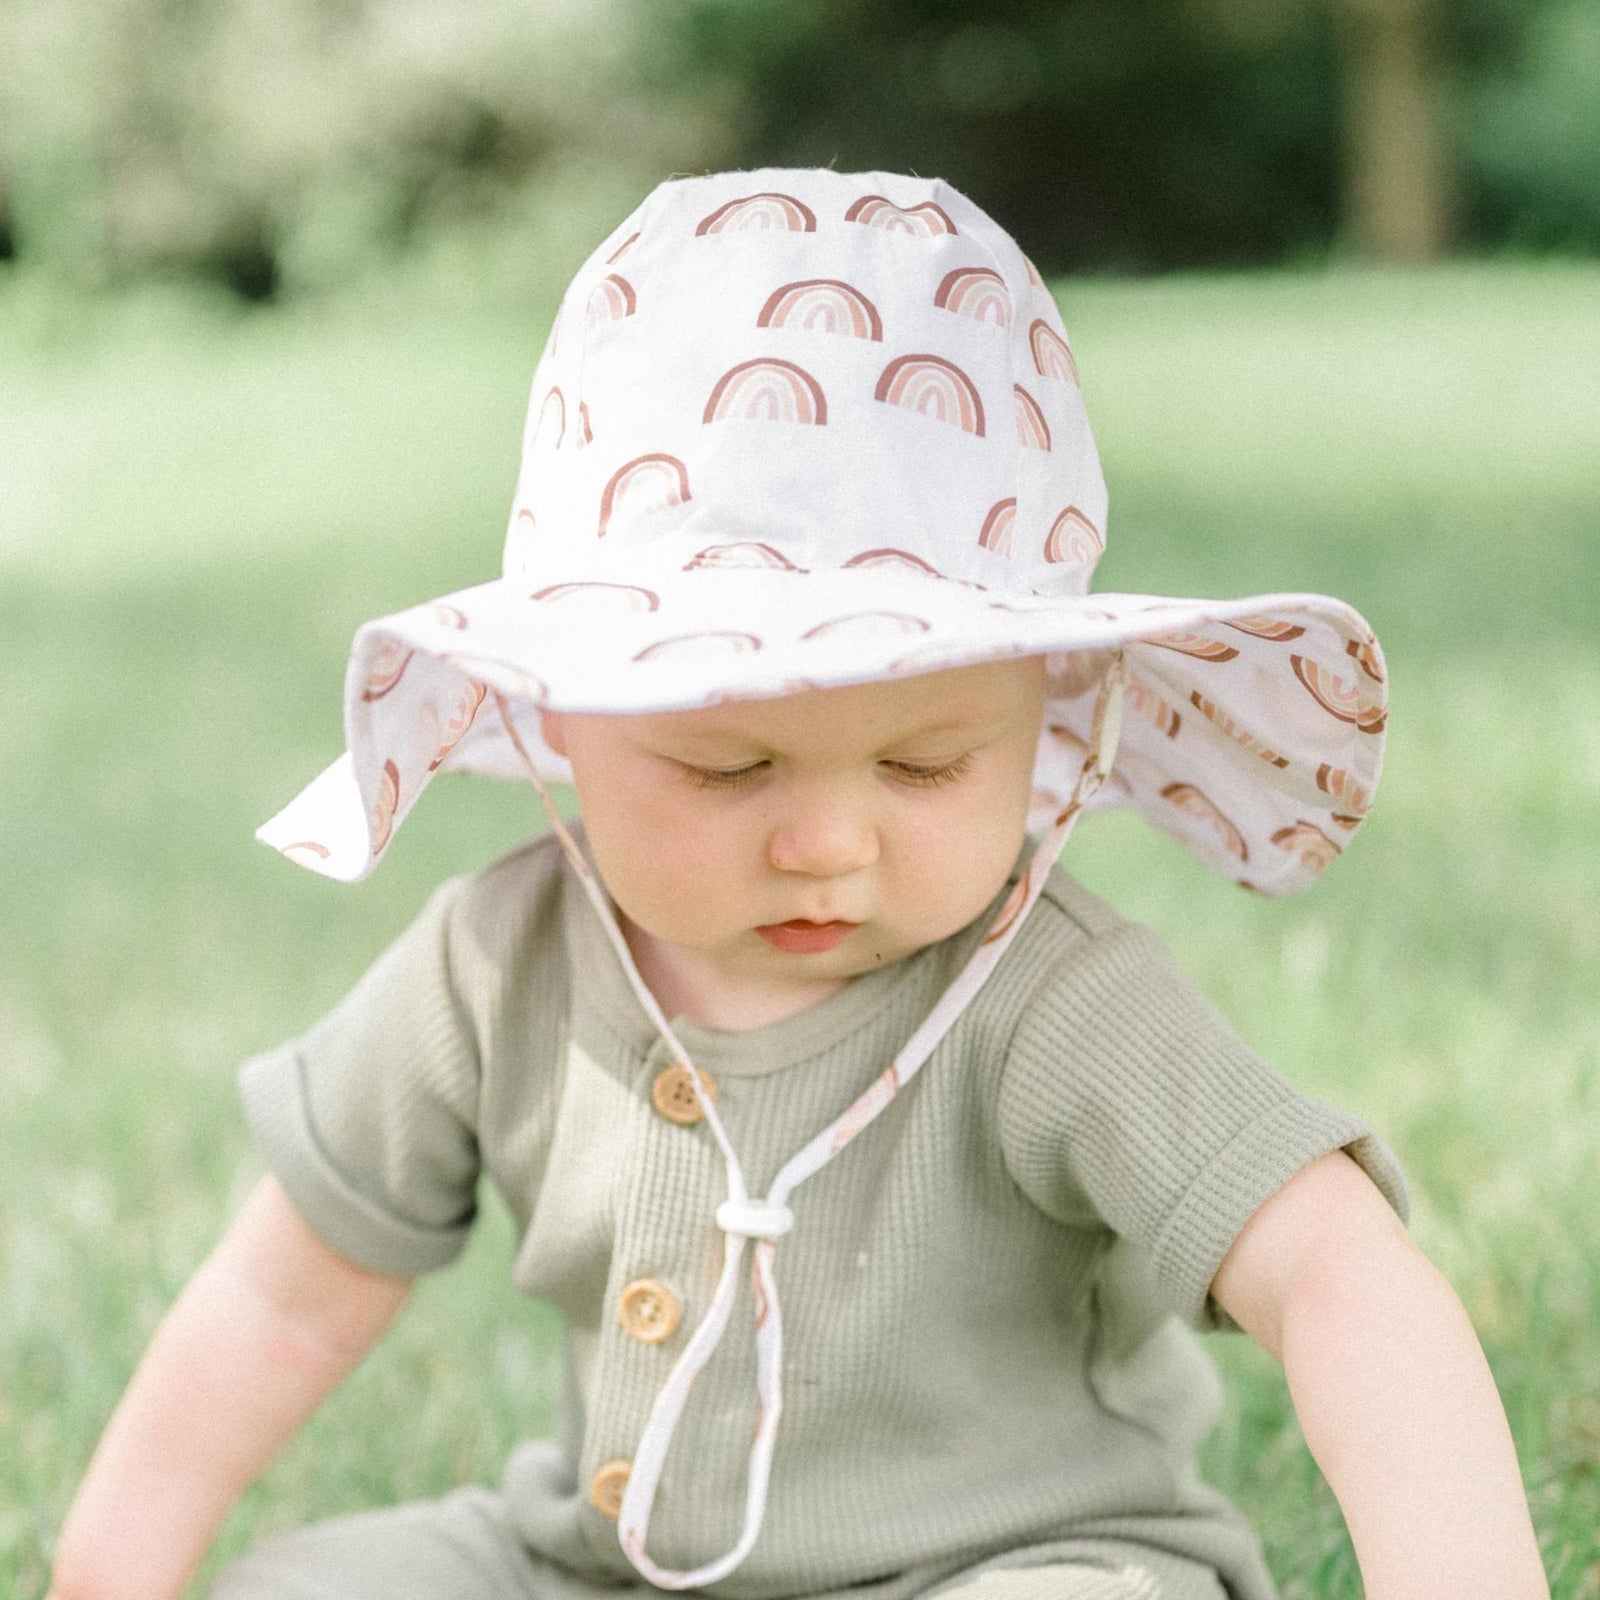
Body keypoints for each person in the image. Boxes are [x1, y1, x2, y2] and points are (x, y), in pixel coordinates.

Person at [49, 169, 1548, 1600]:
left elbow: (1338, 1277)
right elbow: (284, 1295)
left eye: (926, 765)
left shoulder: (1054, 1002)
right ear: (561, 711)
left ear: (1051, 711)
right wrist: (106, 1573)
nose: (828, 843)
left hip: (1015, 1563)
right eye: (729, 767)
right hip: (601, 1567)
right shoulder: (492, 964)